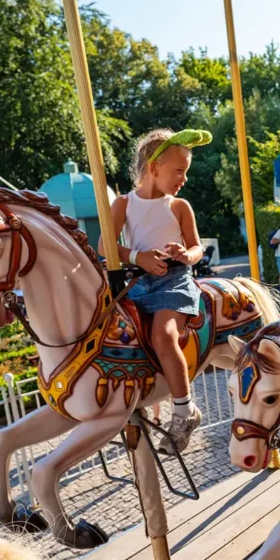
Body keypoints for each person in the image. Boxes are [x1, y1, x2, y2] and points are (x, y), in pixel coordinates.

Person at [99, 127, 210, 453]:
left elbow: (197, 248)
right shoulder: (123, 204)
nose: (184, 179)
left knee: (163, 334)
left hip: (174, 281)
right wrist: (138, 257)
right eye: (179, 171)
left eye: (185, 172)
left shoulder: (179, 206)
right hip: (138, 282)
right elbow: (105, 246)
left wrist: (185, 254)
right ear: (154, 167)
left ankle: (184, 410)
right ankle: (132, 399)